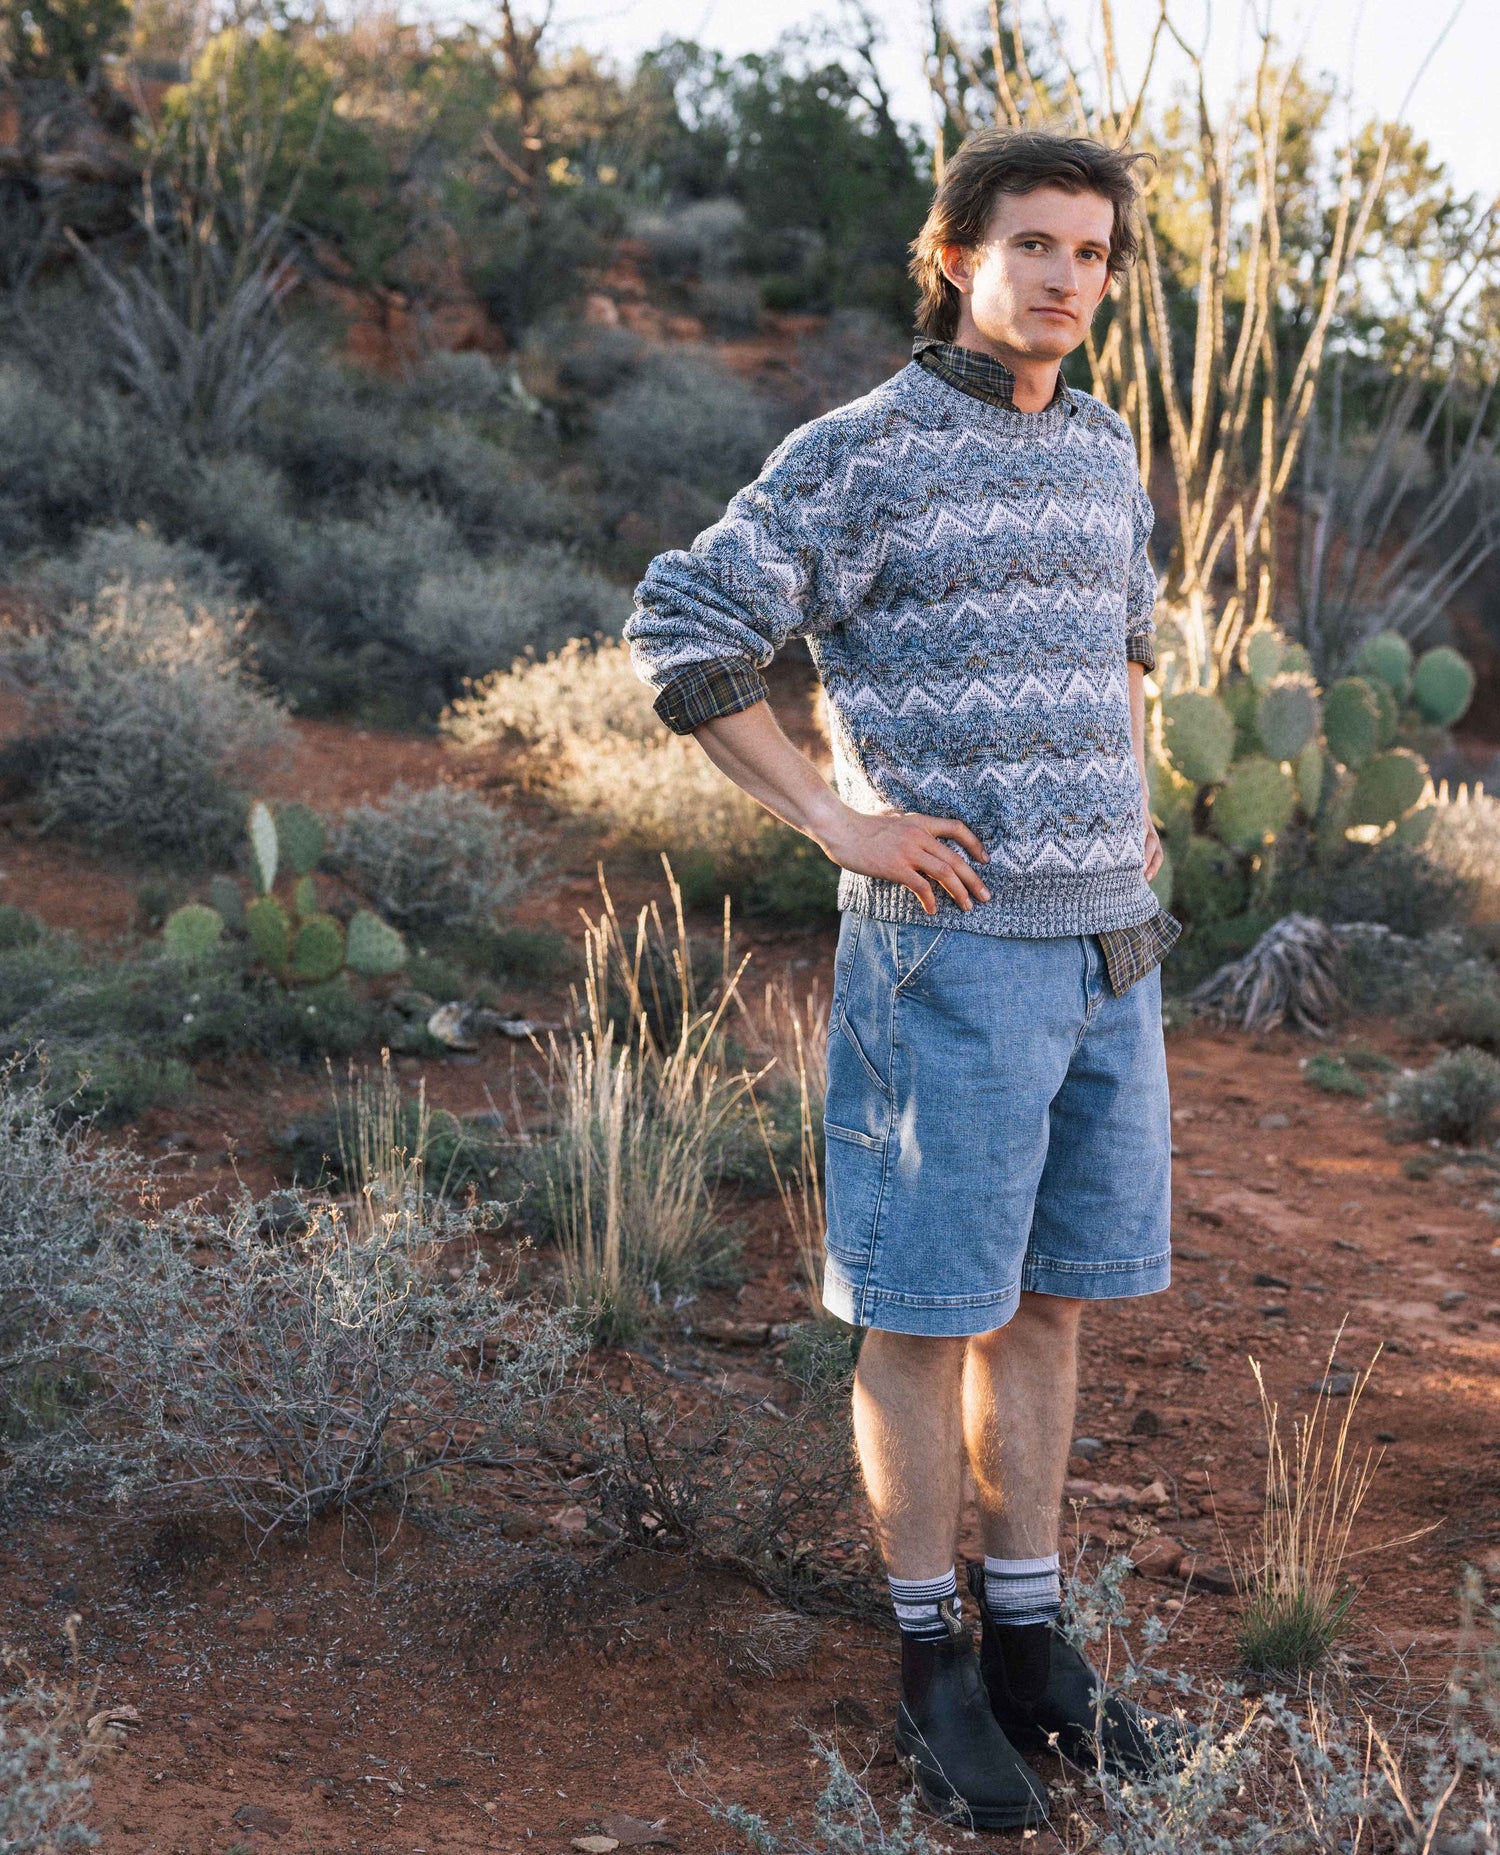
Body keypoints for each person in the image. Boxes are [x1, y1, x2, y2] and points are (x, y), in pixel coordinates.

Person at [624, 127, 1187, 1828]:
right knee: (925, 1314)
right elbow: (685, 622)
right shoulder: (862, 455)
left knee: (1049, 1301)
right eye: (1033, 246)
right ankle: (928, 1654)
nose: (1066, 279)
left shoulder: (1101, 452)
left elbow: (1126, 654)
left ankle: (1030, 1644)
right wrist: (832, 817)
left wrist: (1138, 819)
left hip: (1112, 957)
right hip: (951, 961)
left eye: (1091, 253)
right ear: (956, 255)